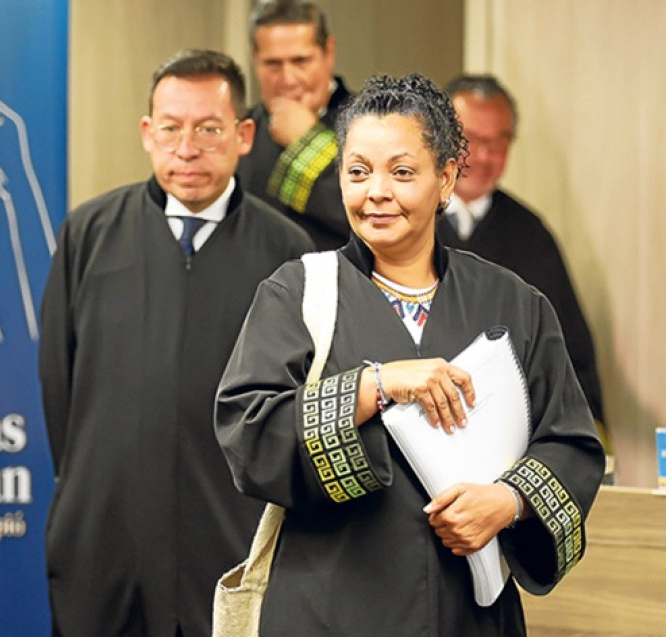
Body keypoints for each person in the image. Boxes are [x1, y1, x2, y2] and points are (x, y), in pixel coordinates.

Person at [215, 73, 605, 635]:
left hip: (469, 614)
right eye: (357, 171)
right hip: (326, 610)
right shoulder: (297, 293)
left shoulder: (515, 303)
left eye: (401, 172)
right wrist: (374, 385)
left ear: (446, 178)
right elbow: (248, 436)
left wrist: (510, 502)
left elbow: (572, 442)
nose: (376, 191)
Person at [39, 50, 314, 636]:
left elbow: (295, 408)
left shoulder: (287, 255)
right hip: (102, 548)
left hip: (228, 545)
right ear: (147, 133)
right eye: (170, 128)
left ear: (243, 135)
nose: (186, 148)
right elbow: (59, 392)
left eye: (209, 129)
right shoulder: (88, 236)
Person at [439, 74, 612, 459]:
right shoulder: (405, 220)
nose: (483, 156)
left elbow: (571, 358)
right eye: (471, 140)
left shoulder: (530, 234)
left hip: (512, 449)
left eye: (498, 142)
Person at [237, 0, 353, 250]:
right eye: (273, 64)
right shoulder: (239, 135)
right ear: (253, 59)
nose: (288, 79)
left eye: (301, 61)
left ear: (328, 52)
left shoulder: (375, 124)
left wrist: (308, 141)